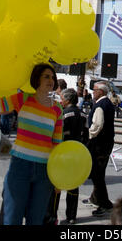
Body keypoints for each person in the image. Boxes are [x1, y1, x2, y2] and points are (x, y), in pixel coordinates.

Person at [0, 63, 63, 225]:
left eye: (52, 77)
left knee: (35, 221)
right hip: (19, 167)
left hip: (44, 173)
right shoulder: (23, 99)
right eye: (46, 76)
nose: (51, 80)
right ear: (36, 78)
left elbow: (57, 144)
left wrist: (57, 178)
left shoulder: (58, 109)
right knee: (11, 218)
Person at [44, 88, 88, 225]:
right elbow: (86, 135)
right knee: (73, 186)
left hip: (62, 154)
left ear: (67, 100)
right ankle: (72, 216)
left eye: (62, 98)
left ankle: (52, 216)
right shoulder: (83, 115)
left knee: (56, 186)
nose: (60, 100)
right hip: (77, 154)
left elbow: (58, 133)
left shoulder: (63, 114)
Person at [83, 81, 115, 217]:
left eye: (94, 89)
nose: (92, 91)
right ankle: (94, 198)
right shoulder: (107, 103)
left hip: (100, 145)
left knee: (98, 174)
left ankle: (105, 204)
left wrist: (89, 135)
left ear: (101, 91)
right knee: (98, 172)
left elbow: (97, 125)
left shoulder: (100, 105)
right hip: (106, 142)